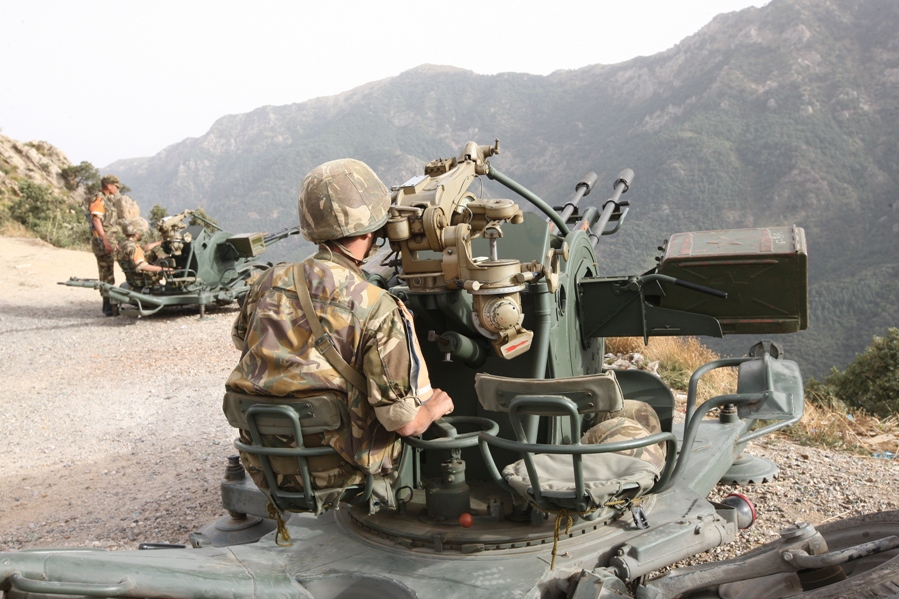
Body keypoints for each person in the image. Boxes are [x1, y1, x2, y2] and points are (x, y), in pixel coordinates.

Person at [226, 158, 454, 505]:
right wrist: (435, 407)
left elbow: (242, 341)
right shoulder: (378, 306)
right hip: (340, 472)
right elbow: (406, 423)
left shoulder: (266, 282)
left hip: (264, 462)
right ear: (371, 230)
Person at [88, 175, 121, 316]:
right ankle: (108, 307)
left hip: (109, 239)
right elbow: (96, 220)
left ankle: (111, 304)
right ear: (109, 185)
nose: (117, 188)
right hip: (102, 241)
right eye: (116, 185)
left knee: (109, 271)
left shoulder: (107, 200)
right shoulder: (99, 199)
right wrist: (105, 240)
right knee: (106, 273)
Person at [116, 222, 173, 288]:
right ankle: (160, 284)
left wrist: (159, 242)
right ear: (135, 234)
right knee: (162, 260)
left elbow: (144, 248)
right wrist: (165, 269)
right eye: (140, 232)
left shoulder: (124, 245)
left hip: (132, 279)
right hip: (141, 280)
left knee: (149, 253)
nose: (141, 234)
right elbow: (142, 266)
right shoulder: (134, 247)